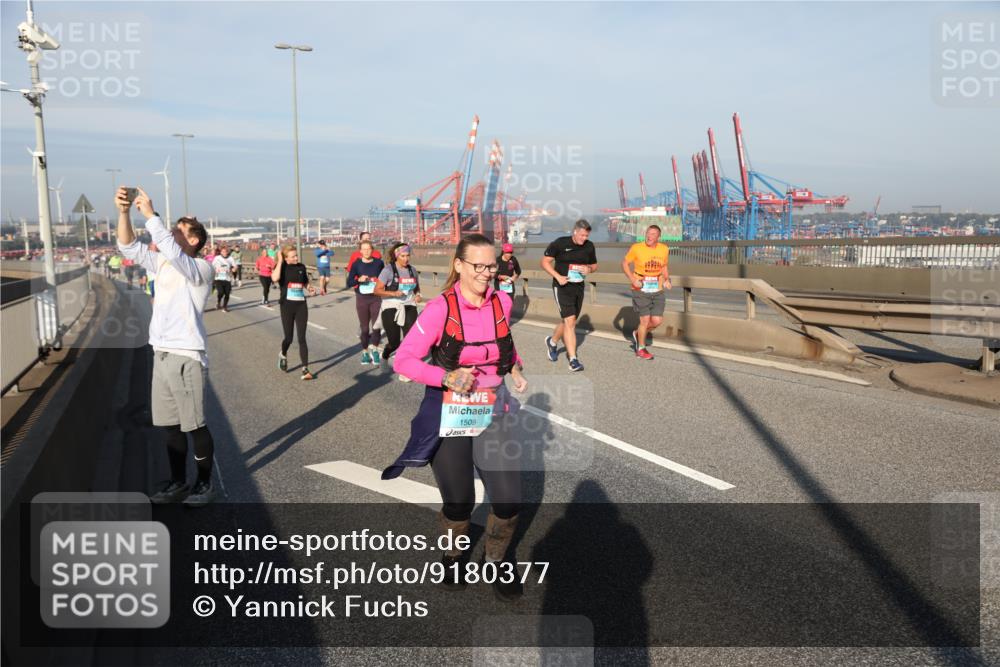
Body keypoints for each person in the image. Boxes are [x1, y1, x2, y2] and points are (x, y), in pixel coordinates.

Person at [386, 233, 528, 600]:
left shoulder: (503, 302)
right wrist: (446, 376)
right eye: (478, 266)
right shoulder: (440, 309)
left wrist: (515, 368)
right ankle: (453, 554)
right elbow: (402, 360)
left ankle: (496, 558)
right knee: (459, 501)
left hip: (493, 410)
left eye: (491, 265)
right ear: (459, 266)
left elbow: (503, 345)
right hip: (450, 413)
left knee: (509, 500)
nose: (486, 272)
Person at [114, 186, 217, 507]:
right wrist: (124, 212)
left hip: (186, 353)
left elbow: (174, 252)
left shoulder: (200, 269)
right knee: (171, 427)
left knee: (194, 424)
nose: (171, 233)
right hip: (160, 352)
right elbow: (128, 246)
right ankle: (177, 482)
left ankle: (204, 484)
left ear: (194, 240)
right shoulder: (163, 263)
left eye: (178, 230)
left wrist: (152, 216)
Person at [541, 219, 598, 372]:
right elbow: (545, 262)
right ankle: (573, 360)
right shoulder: (560, 243)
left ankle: (552, 342)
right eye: (582, 235)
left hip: (578, 287)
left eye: (586, 236)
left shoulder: (589, 246)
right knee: (570, 322)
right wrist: (557, 276)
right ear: (575, 231)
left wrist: (589, 270)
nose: (584, 238)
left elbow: (594, 264)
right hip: (562, 286)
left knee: (569, 321)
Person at [622, 224, 671, 360]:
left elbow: (664, 266)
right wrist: (632, 279)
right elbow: (625, 263)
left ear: (658, 237)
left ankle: (638, 333)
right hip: (640, 288)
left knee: (656, 321)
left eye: (653, 234)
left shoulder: (664, 249)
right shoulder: (637, 248)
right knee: (644, 320)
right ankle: (641, 349)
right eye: (648, 233)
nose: (649, 236)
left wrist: (667, 279)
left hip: (657, 289)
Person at [374, 242, 422, 380]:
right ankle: (385, 355)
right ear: (396, 256)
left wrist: (418, 295)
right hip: (391, 306)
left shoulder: (412, 270)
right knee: (394, 342)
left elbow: (416, 288)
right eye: (403, 256)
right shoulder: (388, 271)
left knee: (410, 339)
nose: (406, 259)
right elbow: (376, 290)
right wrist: (394, 293)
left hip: (409, 304)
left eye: (408, 255)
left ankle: (405, 370)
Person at [273, 244, 316, 380]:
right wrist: (280, 262)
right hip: (286, 306)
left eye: (296, 255)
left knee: (302, 338)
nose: (296, 257)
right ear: (286, 258)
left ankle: (305, 369)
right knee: (289, 338)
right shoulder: (282, 267)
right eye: (292, 256)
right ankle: (283, 353)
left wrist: (310, 288)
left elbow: (304, 282)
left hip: (301, 305)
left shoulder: (301, 267)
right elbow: (274, 278)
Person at [346, 240, 384, 365]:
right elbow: (349, 282)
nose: (366, 251)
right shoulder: (357, 264)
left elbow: (385, 279)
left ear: (372, 250)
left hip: (376, 298)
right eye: (364, 249)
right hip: (362, 298)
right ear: (360, 251)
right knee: (365, 329)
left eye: (369, 249)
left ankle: (375, 351)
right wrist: (358, 280)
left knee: (376, 326)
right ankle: (365, 352)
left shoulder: (379, 263)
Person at [212, 246, 238, 312]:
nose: (225, 253)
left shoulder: (230, 258)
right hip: (218, 278)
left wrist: (234, 269)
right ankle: (218, 302)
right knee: (221, 292)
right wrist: (215, 270)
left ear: (228, 252)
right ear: (221, 252)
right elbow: (212, 266)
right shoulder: (217, 258)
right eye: (223, 251)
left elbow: (235, 266)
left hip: (227, 278)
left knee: (227, 293)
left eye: (226, 251)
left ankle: (224, 307)